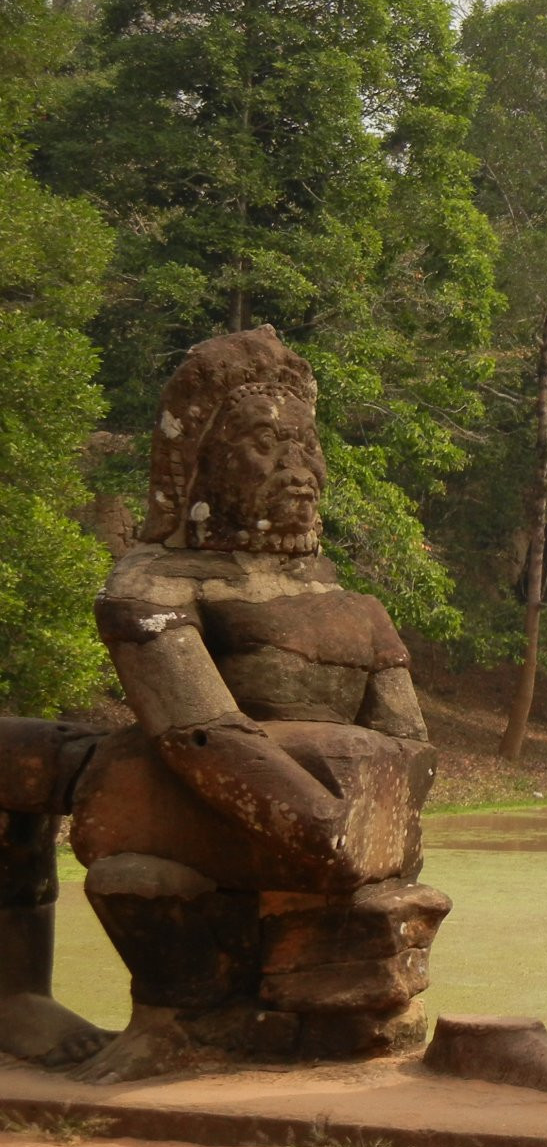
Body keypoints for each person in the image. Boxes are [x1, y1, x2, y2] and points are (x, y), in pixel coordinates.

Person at [0, 327, 444, 1083]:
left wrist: (328, 826)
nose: (296, 467)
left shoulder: (347, 602)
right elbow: (195, 727)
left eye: (305, 445)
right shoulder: (159, 586)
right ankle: (17, 996)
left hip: (280, 817)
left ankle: (134, 1013)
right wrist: (332, 820)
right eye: (267, 445)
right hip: (283, 804)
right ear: (199, 464)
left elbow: (405, 746)